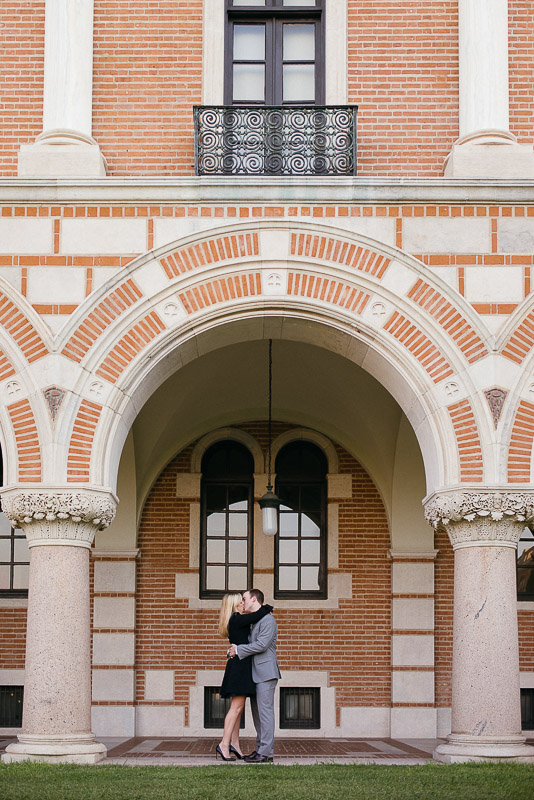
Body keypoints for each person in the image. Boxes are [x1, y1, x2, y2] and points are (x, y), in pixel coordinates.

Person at [216, 592, 273, 762]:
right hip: (239, 668)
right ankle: (224, 745)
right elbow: (257, 615)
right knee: (236, 708)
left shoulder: (237, 620)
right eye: (240, 601)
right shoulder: (237, 618)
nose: (243, 603)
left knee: (238, 710)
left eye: (244, 600)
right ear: (234, 605)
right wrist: (267, 608)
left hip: (241, 666)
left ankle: (235, 744)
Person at [228, 588, 281, 763]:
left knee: (265, 713)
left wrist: (238, 650)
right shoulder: (254, 621)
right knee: (258, 714)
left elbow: (261, 645)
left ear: (254, 599)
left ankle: (266, 753)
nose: (242, 602)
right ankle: (260, 749)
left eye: (244, 598)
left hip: (266, 673)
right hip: (254, 674)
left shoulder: (268, 620)